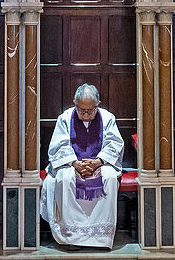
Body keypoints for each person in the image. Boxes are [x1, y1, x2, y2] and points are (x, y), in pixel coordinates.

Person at [40, 83, 125, 249]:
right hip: (72, 164)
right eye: (81, 110)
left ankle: (101, 238)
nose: (86, 115)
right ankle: (72, 236)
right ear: (74, 103)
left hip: (99, 163)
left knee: (109, 177)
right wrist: (74, 163)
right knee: (64, 178)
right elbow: (59, 146)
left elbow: (114, 144)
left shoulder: (107, 118)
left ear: (98, 104)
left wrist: (98, 162)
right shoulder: (65, 118)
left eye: (90, 111)